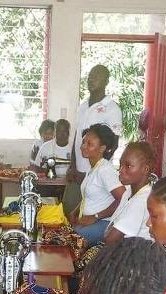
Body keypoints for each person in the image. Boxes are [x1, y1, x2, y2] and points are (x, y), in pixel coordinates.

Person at [64, 65, 122, 214]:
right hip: (77, 173)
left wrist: (93, 173)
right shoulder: (83, 107)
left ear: (106, 81)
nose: (91, 79)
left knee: (88, 216)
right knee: (68, 209)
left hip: (97, 177)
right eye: (90, 76)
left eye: (96, 76)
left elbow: (113, 144)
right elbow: (77, 138)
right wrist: (72, 166)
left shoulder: (112, 109)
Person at [68, 124, 125, 246]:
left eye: (89, 144)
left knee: (71, 240)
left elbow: (123, 198)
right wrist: (75, 211)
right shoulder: (94, 168)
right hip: (91, 221)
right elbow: (89, 196)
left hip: (103, 223)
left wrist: (96, 216)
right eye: (83, 142)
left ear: (102, 148)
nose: (83, 146)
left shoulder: (105, 170)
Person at [103, 142, 156, 243]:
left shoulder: (142, 200)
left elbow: (110, 239)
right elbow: (111, 229)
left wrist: (110, 231)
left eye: (128, 166)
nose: (120, 170)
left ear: (145, 169)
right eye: (121, 164)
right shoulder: (129, 192)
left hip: (133, 254)